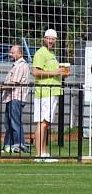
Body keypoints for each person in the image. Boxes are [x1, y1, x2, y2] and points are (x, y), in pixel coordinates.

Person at [31, 29, 68, 160]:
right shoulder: (41, 53)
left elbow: (53, 72)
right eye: (48, 38)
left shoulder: (51, 53)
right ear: (44, 39)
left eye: (53, 39)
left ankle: (44, 152)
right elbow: (34, 72)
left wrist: (62, 74)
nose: (51, 41)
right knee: (42, 123)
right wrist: (55, 73)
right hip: (45, 92)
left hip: (52, 91)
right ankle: (39, 154)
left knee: (45, 123)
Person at [0, 45, 30, 153]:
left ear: (20, 53)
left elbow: (13, 83)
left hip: (16, 98)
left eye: (13, 52)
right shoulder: (16, 65)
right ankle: (8, 146)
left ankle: (19, 145)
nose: (10, 54)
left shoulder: (20, 66)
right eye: (10, 52)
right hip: (11, 98)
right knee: (9, 123)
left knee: (15, 122)